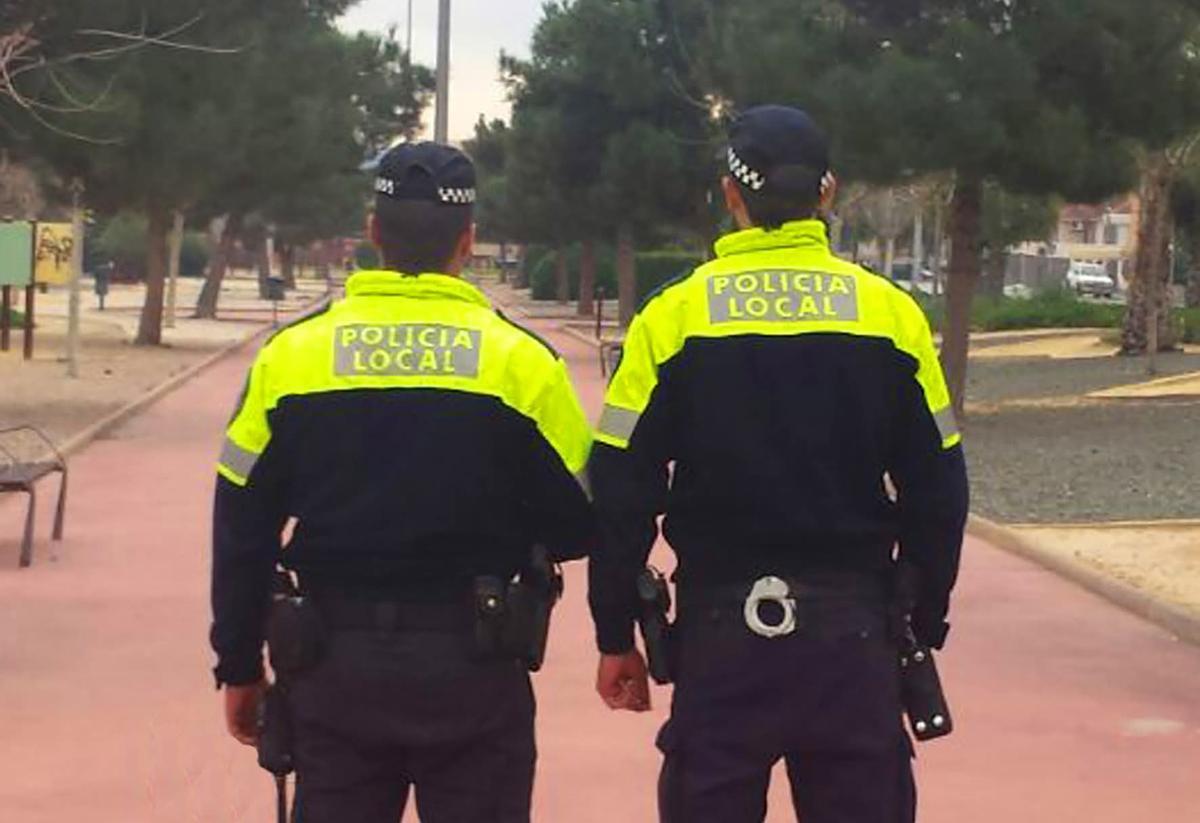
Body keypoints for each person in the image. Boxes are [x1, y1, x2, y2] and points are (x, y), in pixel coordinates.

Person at [587, 106, 969, 823]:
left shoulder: (672, 318)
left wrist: (615, 633)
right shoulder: (890, 315)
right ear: (828, 193)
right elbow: (940, 486)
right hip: (854, 639)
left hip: (720, 641)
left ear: (730, 194)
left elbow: (619, 487)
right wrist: (922, 619)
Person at [210, 142, 594, 822]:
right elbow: (579, 520)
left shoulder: (291, 357)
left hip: (332, 670)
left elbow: (242, 527)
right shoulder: (522, 362)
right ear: (468, 240)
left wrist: (238, 665)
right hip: (476, 667)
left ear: (373, 232)